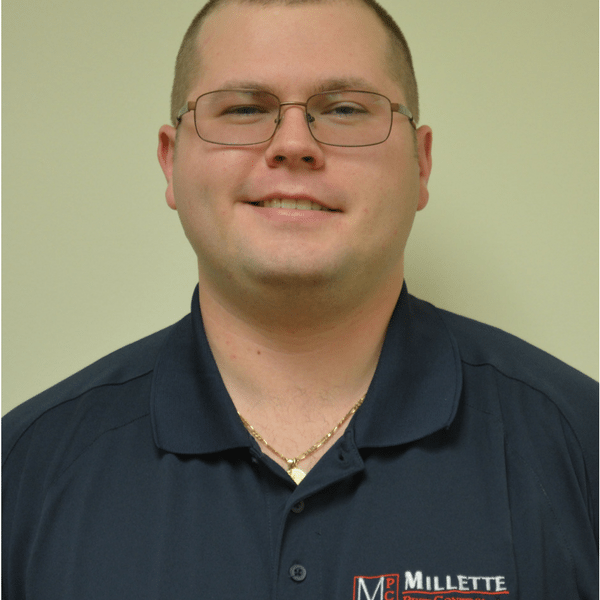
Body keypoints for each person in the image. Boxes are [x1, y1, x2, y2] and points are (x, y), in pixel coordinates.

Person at [2, 0, 597, 598]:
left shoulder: (580, 441)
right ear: (170, 159)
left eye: (344, 109)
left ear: (420, 163)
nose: (293, 144)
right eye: (243, 109)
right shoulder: (24, 468)